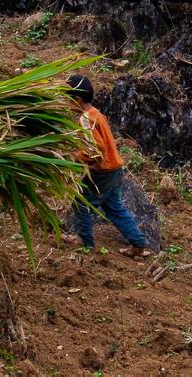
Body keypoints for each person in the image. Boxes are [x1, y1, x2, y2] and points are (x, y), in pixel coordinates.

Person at [64, 75, 153, 255]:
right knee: (114, 207)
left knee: (80, 202)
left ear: (78, 99)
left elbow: (97, 149)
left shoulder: (85, 119)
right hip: (115, 169)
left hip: (102, 173)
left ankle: (85, 242)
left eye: (67, 99)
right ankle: (138, 243)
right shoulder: (96, 113)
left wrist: (76, 156)